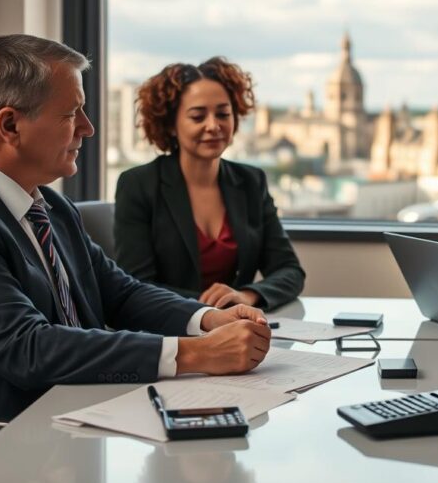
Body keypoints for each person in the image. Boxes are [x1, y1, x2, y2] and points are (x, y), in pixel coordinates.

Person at [0, 35, 272, 483]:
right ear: (10, 125)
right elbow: (28, 348)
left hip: (76, 425)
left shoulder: (48, 205)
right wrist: (194, 354)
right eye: (71, 114)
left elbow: (120, 292)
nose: (87, 127)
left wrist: (208, 320)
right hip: (0, 456)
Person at [115, 57, 305, 311]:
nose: (213, 125)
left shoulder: (251, 181)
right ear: (171, 125)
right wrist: (211, 309)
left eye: (223, 114)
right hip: (171, 334)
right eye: (198, 116)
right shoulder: (138, 185)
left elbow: (289, 270)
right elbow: (137, 285)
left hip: (238, 330)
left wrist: (246, 296)